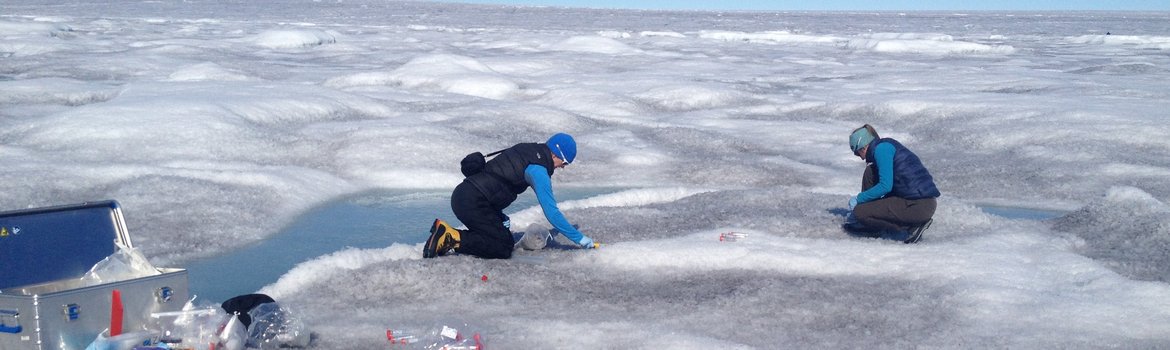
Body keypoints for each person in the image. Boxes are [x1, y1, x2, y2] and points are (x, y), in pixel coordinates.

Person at [424, 133, 594, 259]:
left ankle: (448, 235)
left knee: (501, 236)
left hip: (466, 195)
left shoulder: (526, 149)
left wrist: (498, 215)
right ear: (557, 154)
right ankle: (450, 237)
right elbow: (552, 213)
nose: (562, 168)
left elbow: (496, 177)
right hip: (473, 202)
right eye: (564, 163)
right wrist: (580, 239)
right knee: (503, 246)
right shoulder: (538, 170)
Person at [844, 124, 939, 243]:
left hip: (918, 205)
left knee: (860, 212)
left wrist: (859, 199)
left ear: (862, 147)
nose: (861, 158)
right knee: (870, 171)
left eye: (857, 153)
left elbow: (885, 186)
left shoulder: (882, 150)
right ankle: (868, 221)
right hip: (919, 201)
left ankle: (912, 227)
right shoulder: (883, 146)